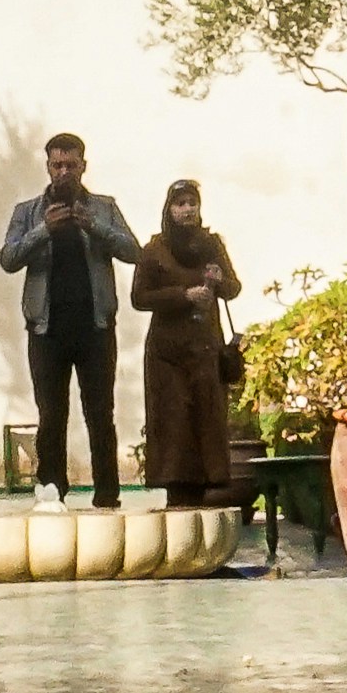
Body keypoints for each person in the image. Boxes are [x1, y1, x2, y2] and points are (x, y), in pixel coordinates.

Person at [0, 133, 135, 506]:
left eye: (71, 165)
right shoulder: (27, 212)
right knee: (51, 414)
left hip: (95, 327)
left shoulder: (104, 208)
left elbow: (133, 251)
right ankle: (52, 490)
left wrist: (94, 227)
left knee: (100, 413)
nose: (64, 172)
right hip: (46, 329)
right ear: (47, 167)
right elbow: (8, 259)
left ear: (83, 166)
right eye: (57, 165)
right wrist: (44, 230)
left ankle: (107, 493)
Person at [133, 181, 243, 508]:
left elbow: (233, 288)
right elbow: (140, 297)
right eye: (180, 203)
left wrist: (220, 281)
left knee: (206, 422)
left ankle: (205, 498)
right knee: (174, 427)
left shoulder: (212, 245)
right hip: (167, 355)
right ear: (169, 209)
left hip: (205, 349)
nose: (187, 210)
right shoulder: (154, 250)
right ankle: (177, 498)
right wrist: (183, 296)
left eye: (192, 203)